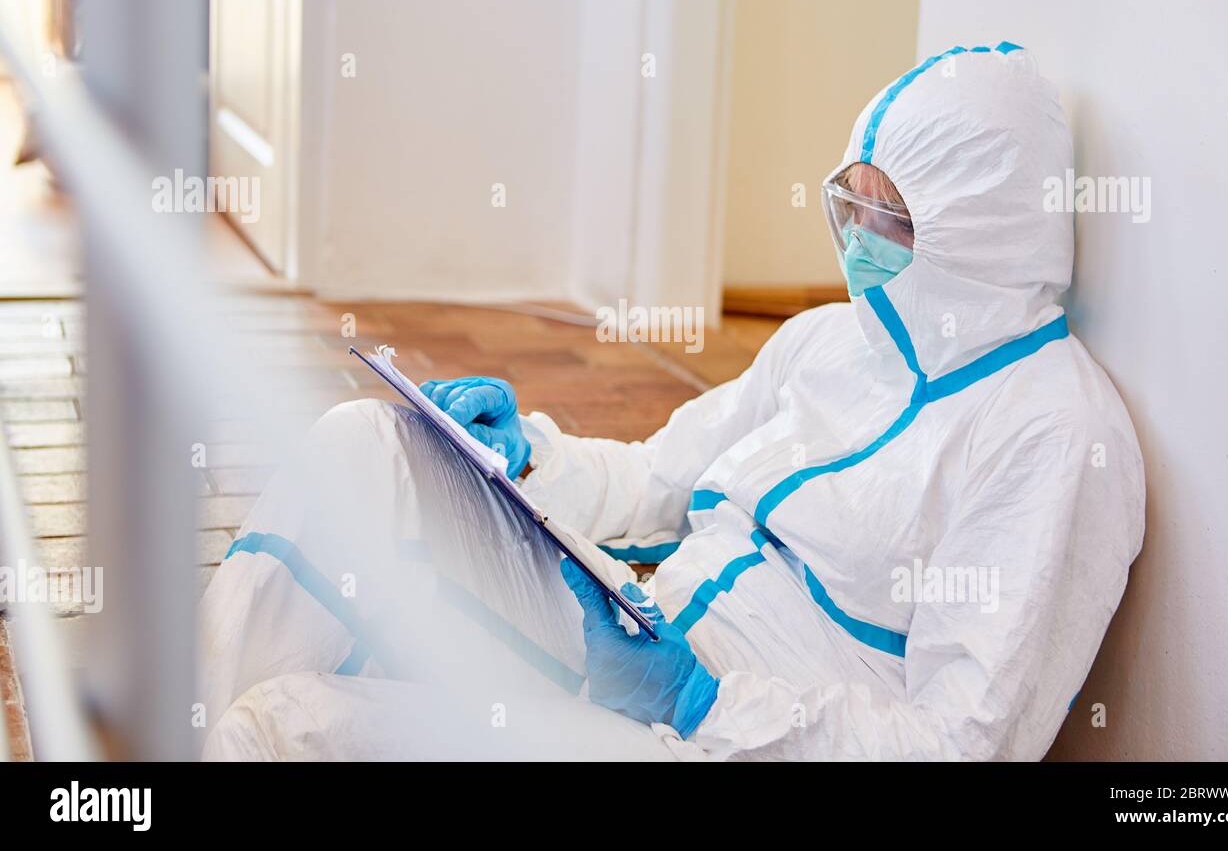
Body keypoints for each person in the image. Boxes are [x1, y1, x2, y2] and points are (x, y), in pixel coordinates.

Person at [199, 43, 1144, 761]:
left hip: (719, 737)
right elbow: (661, 478)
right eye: (847, 208)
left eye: (888, 218)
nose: (856, 246)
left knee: (284, 729)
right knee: (364, 443)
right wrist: (525, 454)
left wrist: (698, 703)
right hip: (634, 632)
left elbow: (956, 743)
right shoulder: (829, 340)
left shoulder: (1055, 437)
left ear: (982, 228)